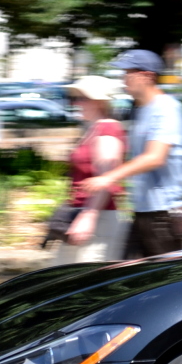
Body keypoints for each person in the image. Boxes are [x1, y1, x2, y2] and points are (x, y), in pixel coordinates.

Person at [81, 49, 182, 260]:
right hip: (144, 212)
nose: (123, 79)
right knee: (132, 280)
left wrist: (109, 177)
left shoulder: (167, 108)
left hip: (164, 215)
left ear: (147, 76)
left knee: (163, 285)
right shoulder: (142, 110)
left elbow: (155, 157)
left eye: (127, 73)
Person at [53, 75, 127, 265]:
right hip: (82, 216)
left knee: (88, 286)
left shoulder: (108, 130)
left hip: (98, 221)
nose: (76, 102)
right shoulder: (93, 129)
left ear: (99, 101)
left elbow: (106, 178)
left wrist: (89, 216)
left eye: (82, 98)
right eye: (75, 98)